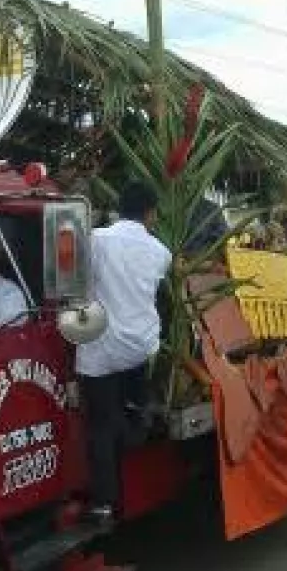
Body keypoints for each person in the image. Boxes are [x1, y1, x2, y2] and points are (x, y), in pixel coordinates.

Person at [75, 181, 171, 523]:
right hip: (141, 346)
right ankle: (137, 416)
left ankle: (104, 503)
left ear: (119, 209)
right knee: (129, 406)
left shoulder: (97, 240)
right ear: (151, 213)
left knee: (100, 425)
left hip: (101, 349)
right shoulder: (161, 252)